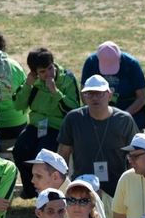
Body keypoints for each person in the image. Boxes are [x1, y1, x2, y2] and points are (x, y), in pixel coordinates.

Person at [56, 75, 136, 210]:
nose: (94, 97)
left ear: (110, 95)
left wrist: (132, 187)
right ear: (84, 96)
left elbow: (135, 156)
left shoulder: (124, 120)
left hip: (117, 188)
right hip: (82, 189)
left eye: (99, 93)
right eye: (90, 93)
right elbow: (63, 153)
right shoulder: (73, 119)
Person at [10, 48, 82, 180]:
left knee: (42, 155)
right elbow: (18, 105)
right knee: (20, 150)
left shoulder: (67, 78)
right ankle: (31, 189)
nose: (48, 74)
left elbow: (74, 110)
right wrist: (27, 85)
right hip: (36, 125)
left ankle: (45, 191)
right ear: (35, 72)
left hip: (58, 127)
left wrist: (55, 92)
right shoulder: (33, 82)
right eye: (42, 72)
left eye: (50, 68)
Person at [79, 42, 145, 124]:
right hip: (98, 112)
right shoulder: (90, 63)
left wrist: (123, 115)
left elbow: (141, 97)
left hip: (130, 112)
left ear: (120, 59)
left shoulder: (131, 64)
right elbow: (84, 96)